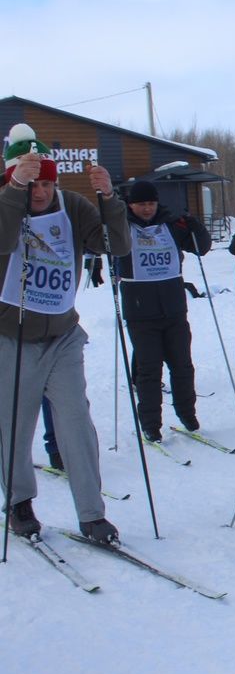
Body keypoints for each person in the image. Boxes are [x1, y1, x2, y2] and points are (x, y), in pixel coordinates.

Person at [0, 123, 128, 543]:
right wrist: (14, 193)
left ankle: (92, 514)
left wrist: (108, 198)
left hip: (62, 335)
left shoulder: (72, 205)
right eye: (29, 181)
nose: (39, 190)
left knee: (75, 422)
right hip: (11, 335)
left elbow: (113, 245)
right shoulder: (7, 203)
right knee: (15, 425)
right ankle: (20, 503)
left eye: (45, 181)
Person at [113, 180, 212, 442]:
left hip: (174, 309)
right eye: (140, 204)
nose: (146, 209)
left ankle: (187, 414)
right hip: (140, 312)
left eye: (150, 203)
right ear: (130, 204)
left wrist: (195, 226)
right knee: (149, 370)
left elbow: (201, 247)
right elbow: (103, 244)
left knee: (182, 366)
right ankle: (150, 423)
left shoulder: (170, 223)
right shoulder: (122, 224)